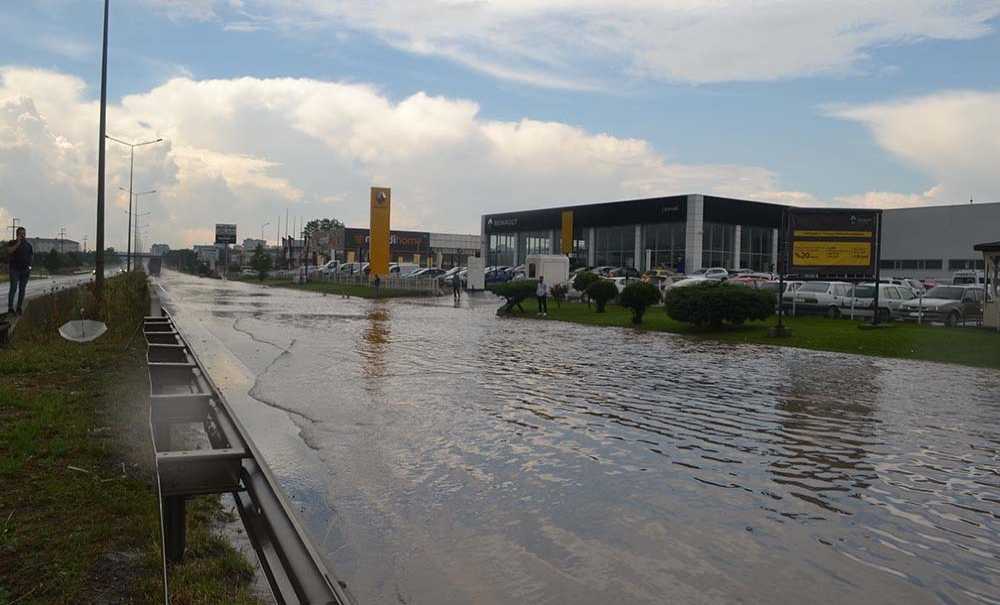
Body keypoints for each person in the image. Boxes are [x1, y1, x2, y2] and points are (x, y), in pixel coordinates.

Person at [6, 227, 32, 316]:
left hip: (25, 271)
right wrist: (18, 243)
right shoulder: (12, 242)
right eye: (21, 233)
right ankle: (10, 308)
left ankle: (19, 308)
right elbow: (9, 251)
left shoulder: (28, 245)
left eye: (24, 233)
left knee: (22, 290)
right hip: (14, 270)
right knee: (13, 288)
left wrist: (29, 268)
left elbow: (31, 257)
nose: (23, 235)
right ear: (17, 234)